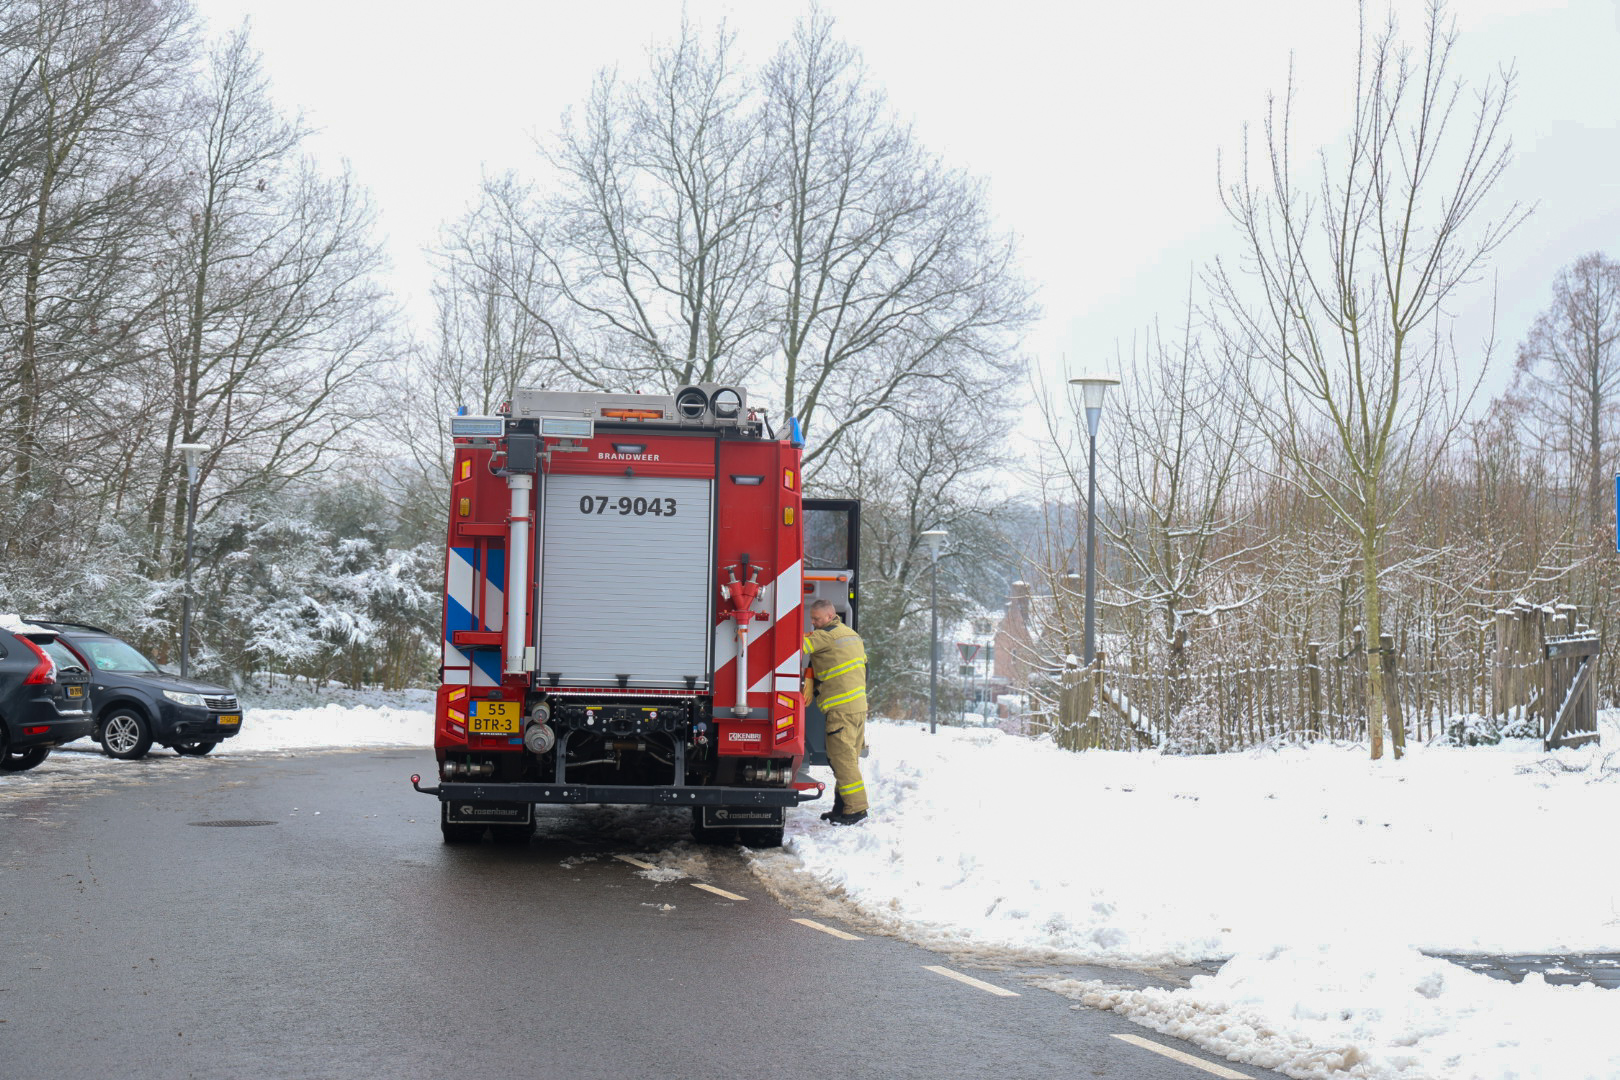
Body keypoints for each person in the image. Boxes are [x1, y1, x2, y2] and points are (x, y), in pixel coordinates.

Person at [802, 598, 869, 825]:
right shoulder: (851, 635)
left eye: (816, 618)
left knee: (842, 761)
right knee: (847, 759)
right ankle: (841, 808)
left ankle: (857, 810)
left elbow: (795, 646)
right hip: (858, 708)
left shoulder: (825, 636)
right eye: (811, 618)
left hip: (841, 711)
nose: (813, 623)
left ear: (830, 616)